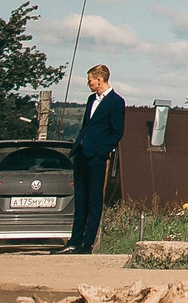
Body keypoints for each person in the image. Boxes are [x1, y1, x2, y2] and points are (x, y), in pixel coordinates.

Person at [67, 65, 124, 254]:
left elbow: (117, 132)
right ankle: (74, 241)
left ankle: (86, 243)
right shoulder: (91, 99)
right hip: (82, 153)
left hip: (97, 156)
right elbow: (87, 125)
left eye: (90, 80)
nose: (88, 83)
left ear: (100, 79)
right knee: (80, 199)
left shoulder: (116, 102)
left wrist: (102, 151)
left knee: (94, 199)